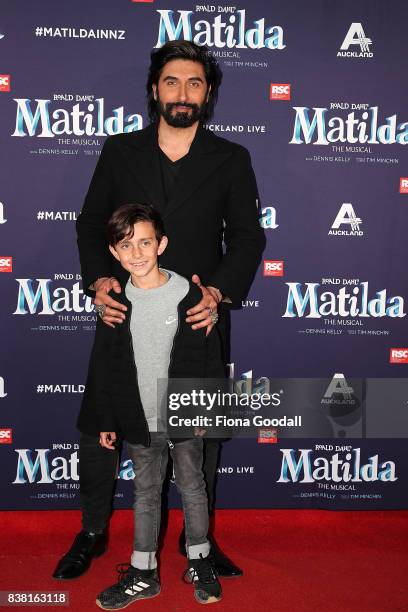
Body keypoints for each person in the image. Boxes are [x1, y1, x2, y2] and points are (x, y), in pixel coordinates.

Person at [53, 39, 265, 582]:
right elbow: (89, 224)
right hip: (125, 314)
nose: (183, 92)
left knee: (198, 433)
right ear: (155, 89)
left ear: (208, 93)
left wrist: (216, 293)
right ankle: (94, 530)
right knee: (106, 421)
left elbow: (246, 237)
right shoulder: (120, 150)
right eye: (172, 81)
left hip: (199, 317)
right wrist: (100, 279)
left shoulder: (231, 158)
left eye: (195, 83)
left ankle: (200, 539)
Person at [81, 203, 224, 607]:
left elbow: (210, 359)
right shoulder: (114, 302)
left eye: (145, 242)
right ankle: (144, 573)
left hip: (184, 416)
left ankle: (200, 560)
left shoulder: (190, 296)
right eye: (126, 245)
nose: (137, 253)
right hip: (138, 419)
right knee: (145, 493)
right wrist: (106, 418)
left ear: (162, 243)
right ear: (114, 252)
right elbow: (105, 366)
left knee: (193, 487)